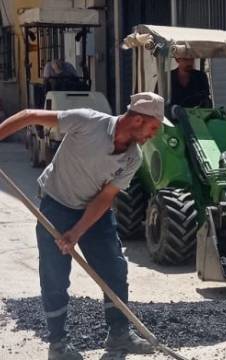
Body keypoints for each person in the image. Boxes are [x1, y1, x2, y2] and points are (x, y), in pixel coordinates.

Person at [0, 92, 164, 359]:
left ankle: (119, 334)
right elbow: (28, 116)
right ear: (136, 120)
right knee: (54, 275)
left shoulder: (133, 158)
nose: (153, 135)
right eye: (153, 127)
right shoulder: (87, 122)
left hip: (93, 211)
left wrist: (77, 232)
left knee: (114, 267)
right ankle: (58, 344)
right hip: (56, 204)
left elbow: (105, 198)